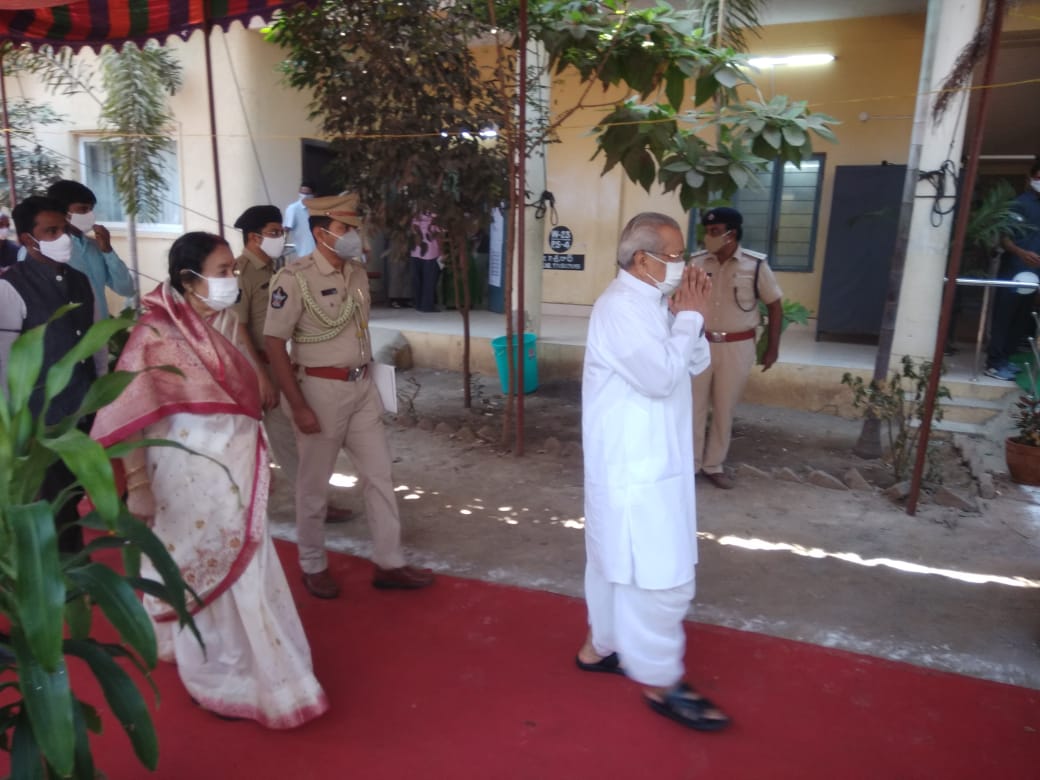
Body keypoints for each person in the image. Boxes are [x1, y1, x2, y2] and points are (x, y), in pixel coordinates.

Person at [90, 231, 328, 728]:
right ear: (188, 280)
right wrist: (137, 484)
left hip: (238, 461)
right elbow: (134, 416)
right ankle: (216, 676)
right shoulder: (154, 335)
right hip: (185, 473)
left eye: (232, 271)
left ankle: (269, 673)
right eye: (222, 272)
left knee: (249, 564)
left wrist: (261, 384)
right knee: (198, 569)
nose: (232, 280)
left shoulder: (225, 319)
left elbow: (249, 374)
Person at [575, 211, 729, 732]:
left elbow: (693, 363)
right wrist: (687, 318)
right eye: (674, 255)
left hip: (651, 463)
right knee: (657, 577)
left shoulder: (655, 303)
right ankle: (662, 682)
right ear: (642, 260)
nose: (683, 265)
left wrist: (690, 317)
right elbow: (661, 376)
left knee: (616, 563)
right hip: (634, 469)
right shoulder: (620, 308)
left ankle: (599, 648)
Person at [263, 193, 434, 599]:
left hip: (361, 387)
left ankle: (389, 562)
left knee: (379, 475)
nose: (353, 235)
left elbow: (358, 328)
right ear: (321, 231)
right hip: (319, 390)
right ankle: (312, 563)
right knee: (314, 484)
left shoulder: (355, 273)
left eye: (354, 227)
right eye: (345, 228)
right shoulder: (294, 277)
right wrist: (299, 405)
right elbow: (274, 343)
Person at [232, 203, 352, 522]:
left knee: (289, 436)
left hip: (273, 362)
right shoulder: (241, 271)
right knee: (249, 437)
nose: (279, 238)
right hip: (252, 366)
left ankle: (313, 503)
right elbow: (239, 327)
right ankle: (243, 504)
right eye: (274, 233)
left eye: (281, 232)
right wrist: (261, 376)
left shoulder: (273, 270)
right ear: (254, 238)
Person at [0, 196, 102, 554]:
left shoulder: (79, 281)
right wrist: (14, 425)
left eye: (65, 229)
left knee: (72, 495)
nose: (64, 238)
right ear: (28, 239)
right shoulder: (9, 286)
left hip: (80, 407)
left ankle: (70, 566)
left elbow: (96, 342)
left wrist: (101, 395)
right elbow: (4, 363)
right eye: (52, 231)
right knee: (50, 501)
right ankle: (57, 575)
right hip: (37, 416)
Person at [690, 206, 783, 490]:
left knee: (723, 408)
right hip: (699, 344)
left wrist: (772, 347)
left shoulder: (755, 266)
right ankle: (690, 464)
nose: (709, 237)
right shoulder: (696, 263)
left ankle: (713, 465)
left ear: (732, 234)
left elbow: (775, 306)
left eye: (715, 232)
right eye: (707, 232)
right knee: (692, 407)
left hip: (737, 345)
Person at [46, 179, 136, 318]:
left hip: (98, 334)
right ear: (63, 212)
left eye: (91, 209)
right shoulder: (46, 250)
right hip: (67, 334)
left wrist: (108, 251)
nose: (90, 215)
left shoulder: (96, 246)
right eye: (83, 209)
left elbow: (127, 289)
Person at [986, 160, 1040, 382]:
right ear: (1032, 178)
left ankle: (1006, 359)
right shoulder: (1020, 203)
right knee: (1005, 316)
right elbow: (1004, 236)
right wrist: (1020, 252)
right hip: (1014, 270)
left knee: (1020, 319)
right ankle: (994, 364)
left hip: (1034, 274)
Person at [411, 211, 442, 312]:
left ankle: (418, 304)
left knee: (418, 280)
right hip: (431, 252)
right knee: (429, 281)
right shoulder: (435, 217)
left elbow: (413, 231)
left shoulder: (416, 216)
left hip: (416, 251)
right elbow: (438, 236)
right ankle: (427, 306)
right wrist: (441, 252)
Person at [283, 181, 316, 262]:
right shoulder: (293, 209)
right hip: (304, 252)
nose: (304, 196)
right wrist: (281, 246)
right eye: (302, 193)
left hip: (320, 252)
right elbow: (286, 230)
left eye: (307, 194)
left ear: (313, 194)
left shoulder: (317, 209)